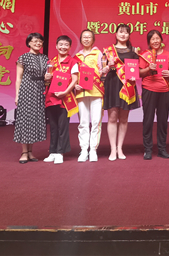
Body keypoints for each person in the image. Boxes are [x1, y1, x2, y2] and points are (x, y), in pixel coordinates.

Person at [103, 24, 140, 161]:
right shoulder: (108, 51)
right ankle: (113, 149)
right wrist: (108, 66)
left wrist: (134, 76)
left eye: (126, 32)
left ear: (129, 35)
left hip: (127, 85)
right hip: (112, 84)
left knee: (124, 119)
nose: (123, 35)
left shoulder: (133, 51)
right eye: (121, 32)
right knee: (112, 118)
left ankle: (120, 148)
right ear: (116, 34)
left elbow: (135, 69)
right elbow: (102, 71)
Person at [139, 30, 169, 160]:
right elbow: (139, 73)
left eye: (157, 38)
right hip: (149, 89)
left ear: (161, 40)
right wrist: (148, 68)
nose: (155, 41)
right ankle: (148, 150)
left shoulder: (168, 54)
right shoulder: (145, 55)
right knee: (148, 120)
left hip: (164, 91)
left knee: (162, 121)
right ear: (149, 41)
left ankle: (162, 149)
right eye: (152, 39)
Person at [43, 35, 80, 164]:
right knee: (53, 126)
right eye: (61, 44)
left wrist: (65, 92)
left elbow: (75, 80)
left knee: (63, 126)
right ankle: (52, 152)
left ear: (70, 47)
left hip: (65, 99)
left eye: (66, 45)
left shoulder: (73, 62)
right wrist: (46, 78)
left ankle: (60, 152)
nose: (63, 47)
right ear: (56, 46)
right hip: (51, 98)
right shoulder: (51, 62)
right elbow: (47, 80)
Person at [14, 33, 48, 164]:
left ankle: (30, 152)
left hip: (40, 91)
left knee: (34, 120)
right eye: (35, 41)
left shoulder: (45, 58)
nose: (38, 43)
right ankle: (24, 152)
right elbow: (18, 78)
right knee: (25, 120)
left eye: (40, 41)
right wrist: (17, 95)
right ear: (29, 43)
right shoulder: (23, 58)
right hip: (27, 90)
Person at [75, 29, 107, 163]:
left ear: (93, 40)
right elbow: (74, 75)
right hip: (81, 93)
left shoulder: (99, 53)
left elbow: (102, 71)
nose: (86, 39)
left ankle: (93, 149)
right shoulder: (77, 56)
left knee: (95, 121)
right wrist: (75, 84)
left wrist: (105, 70)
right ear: (81, 39)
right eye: (84, 37)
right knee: (83, 122)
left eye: (89, 37)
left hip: (96, 91)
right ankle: (83, 149)